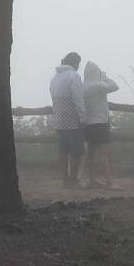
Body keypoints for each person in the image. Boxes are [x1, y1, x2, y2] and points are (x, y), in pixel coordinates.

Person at [49, 52, 87, 187]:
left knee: (63, 150)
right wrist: (83, 118)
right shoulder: (74, 76)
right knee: (77, 150)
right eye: (78, 64)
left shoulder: (55, 78)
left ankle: (64, 179)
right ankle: (74, 179)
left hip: (59, 119)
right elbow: (78, 99)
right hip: (73, 119)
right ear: (75, 63)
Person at [81, 61, 120, 189]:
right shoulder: (97, 85)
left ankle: (91, 180)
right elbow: (115, 86)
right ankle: (110, 182)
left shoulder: (83, 86)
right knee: (104, 155)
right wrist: (104, 76)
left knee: (91, 154)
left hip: (89, 124)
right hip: (101, 123)